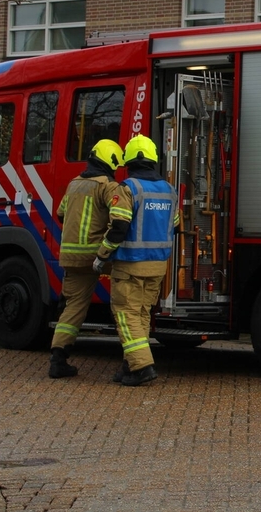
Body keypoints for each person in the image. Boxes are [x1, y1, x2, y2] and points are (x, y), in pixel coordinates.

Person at [96, 134, 178, 387]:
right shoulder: (169, 189)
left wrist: (102, 254)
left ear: (129, 160)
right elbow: (173, 226)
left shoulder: (128, 188)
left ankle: (142, 366)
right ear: (153, 159)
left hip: (130, 263)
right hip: (158, 265)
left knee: (125, 314)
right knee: (141, 315)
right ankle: (129, 366)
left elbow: (119, 227)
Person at [48, 139, 125, 379]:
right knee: (127, 303)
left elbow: (61, 213)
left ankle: (58, 360)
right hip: (98, 255)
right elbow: (119, 221)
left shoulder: (74, 184)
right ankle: (132, 361)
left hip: (70, 257)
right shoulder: (108, 186)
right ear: (111, 162)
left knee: (73, 308)